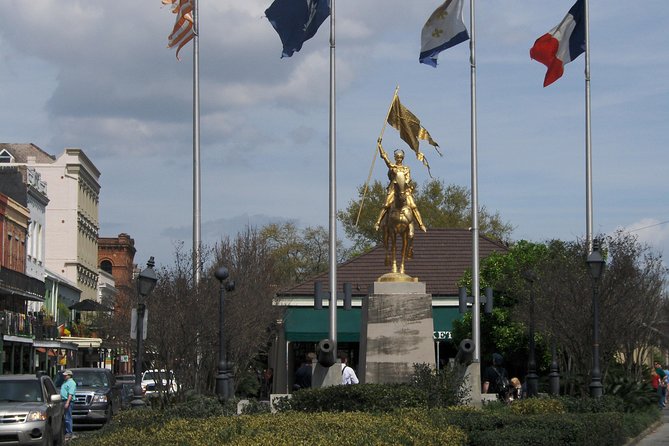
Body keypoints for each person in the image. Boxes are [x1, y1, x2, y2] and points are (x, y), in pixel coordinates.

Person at [373, 139, 427, 233]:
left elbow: (408, 178)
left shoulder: (406, 168)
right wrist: (379, 146)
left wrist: (405, 183)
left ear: (403, 158)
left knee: (413, 206)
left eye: (400, 157)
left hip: (405, 190)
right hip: (394, 189)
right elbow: (384, 157)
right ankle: (378, 222)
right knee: (386, 205)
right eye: (397, 157)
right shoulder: (392, 167)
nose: (399, 159)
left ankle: (421, 224)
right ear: (395, 158)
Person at [60, 369, 77, 439]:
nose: (64, 376)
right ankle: (65, 431)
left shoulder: (72, 383)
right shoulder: (65, 382)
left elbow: (70, 394)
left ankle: (69, 432)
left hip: (68, 401)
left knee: (68, 417)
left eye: (65, 375)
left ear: (69, 375)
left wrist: (67, 402)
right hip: (63, 400)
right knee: (64, 417)